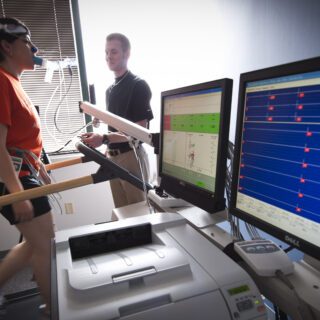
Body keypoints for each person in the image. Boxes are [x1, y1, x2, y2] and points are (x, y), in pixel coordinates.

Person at [0, 17, 54, 316]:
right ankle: (53, 311)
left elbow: (25, 141)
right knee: (45, 244)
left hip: (24, 173)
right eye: (26, 41)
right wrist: (17, 192)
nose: (33, 47)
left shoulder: (14, 82)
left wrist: (41, 170)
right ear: (7, 46)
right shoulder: (0, 81)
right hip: (13, 177)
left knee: (36, 244)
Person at [81, 33, 153, 208]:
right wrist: (103, 140)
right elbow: (115, 128)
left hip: (131, 157)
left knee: (139, 214)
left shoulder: (138, 85)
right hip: (112, 158)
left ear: (126, 54)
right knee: (122, 214)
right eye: (106, 52)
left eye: (113, 52)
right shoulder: (110, 90)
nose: (108, 57)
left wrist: (104, 139)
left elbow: (139, 133)